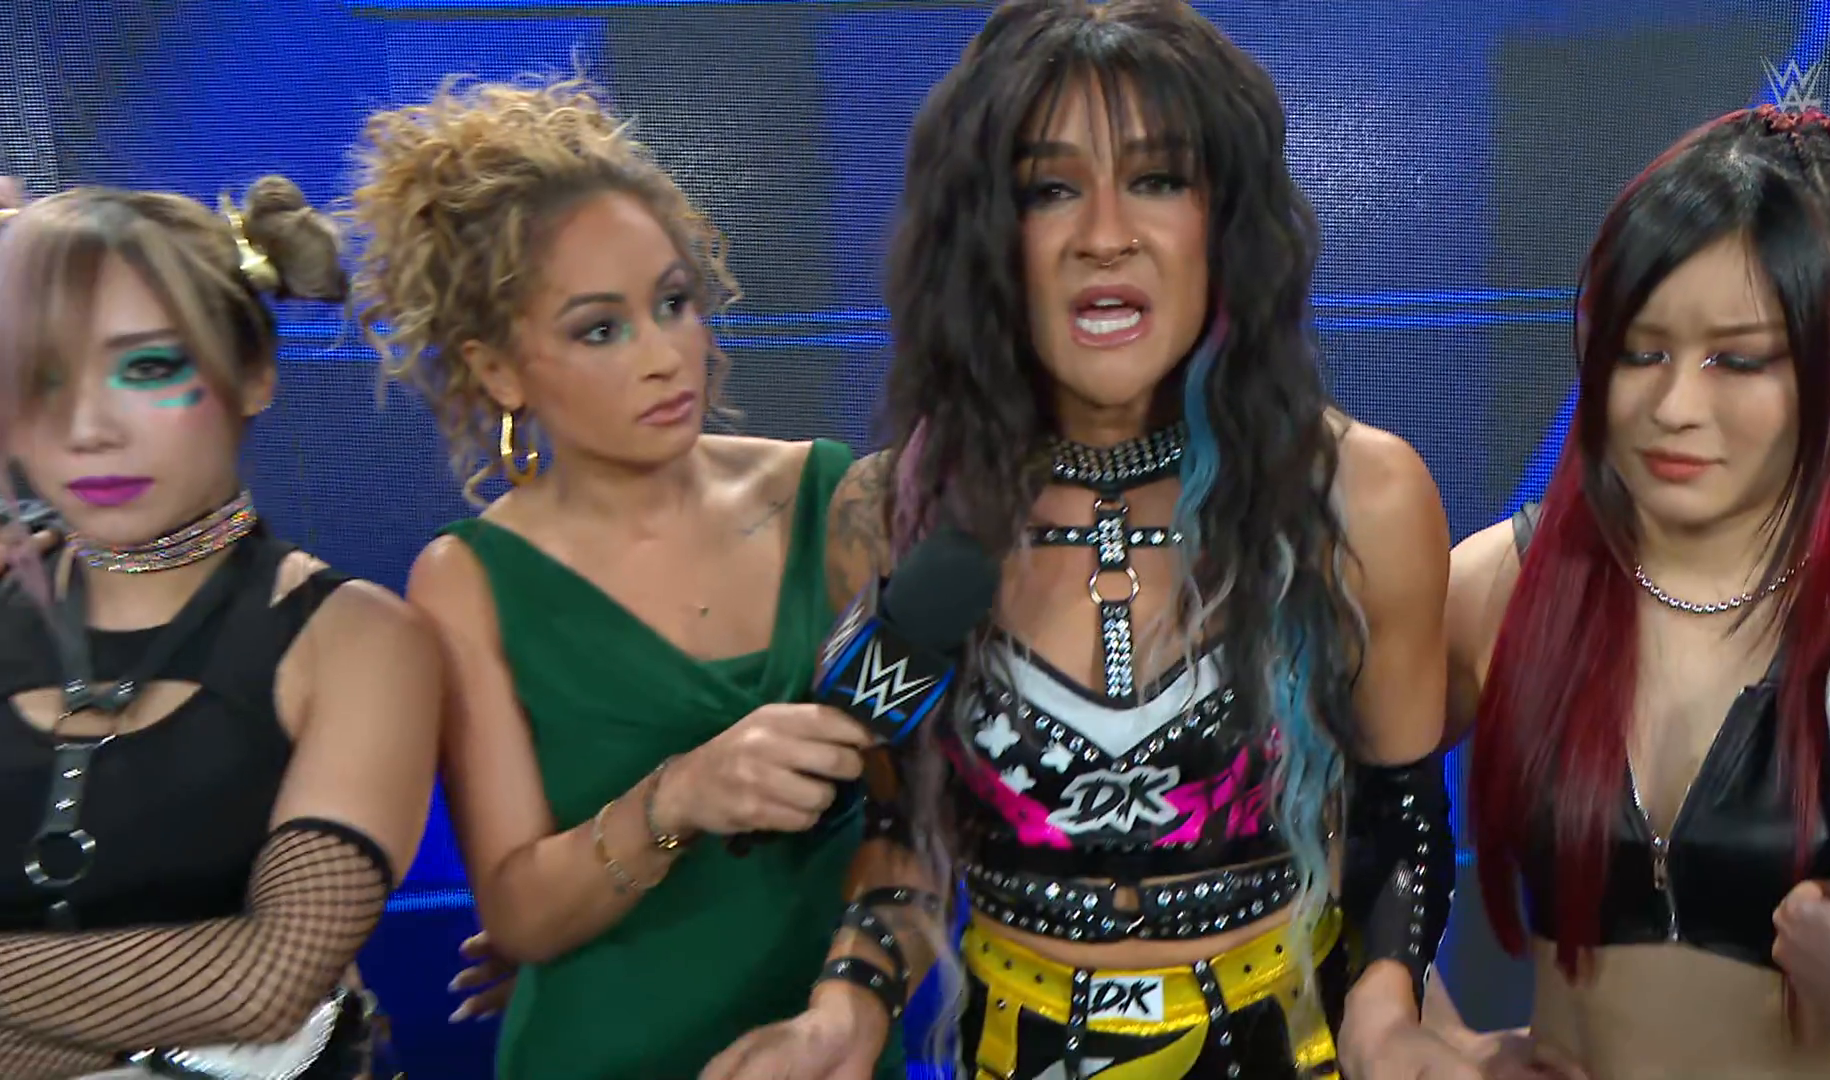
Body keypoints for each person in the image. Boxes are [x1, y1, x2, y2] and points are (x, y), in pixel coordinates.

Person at [702, 3, 1468, 1078]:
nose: (1105, 233)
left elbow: (1401, 822)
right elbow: (904, 845)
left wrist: (1390, 1021)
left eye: (1157, 179)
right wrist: (845, 1011)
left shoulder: (1356, 497)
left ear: (1227, 221)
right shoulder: (894, 515)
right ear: (986, 239)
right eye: (1049, 189)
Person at [347, 77, 905, 1080]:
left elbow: (927, 818)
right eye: (600, 329)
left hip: (831, 1050)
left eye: (674, 304)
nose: (665, 356)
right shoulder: (467, 581)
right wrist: (680, 794)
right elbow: (517, 914)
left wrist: (848, 1008)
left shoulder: (837, 501)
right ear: (499, 370)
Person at [1434, 105, 1830, 1078]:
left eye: (1738, 359)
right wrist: (1416, 1037)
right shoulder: (1504, 588)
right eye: (1640, 350)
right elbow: (1310, 826)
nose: (1674, 406)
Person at [0, 178, 442, 1078]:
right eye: (41, 378)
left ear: (252, 373)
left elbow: (266, 981)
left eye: (147, 368)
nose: (87, 428)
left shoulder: (355, 639)